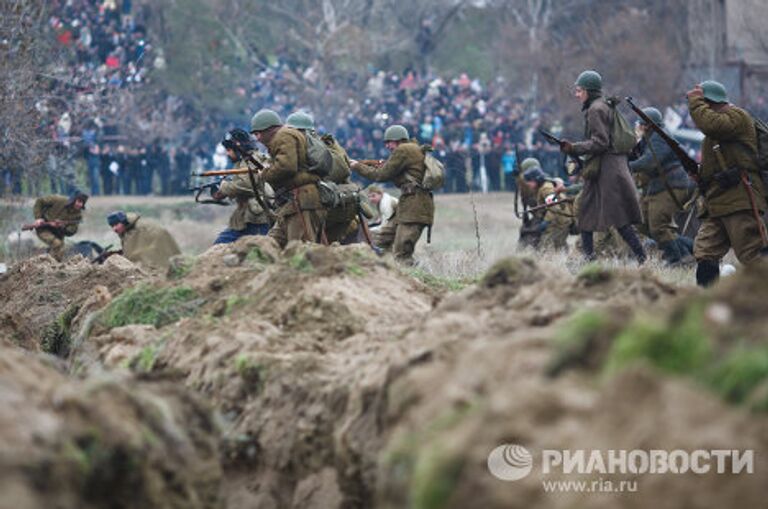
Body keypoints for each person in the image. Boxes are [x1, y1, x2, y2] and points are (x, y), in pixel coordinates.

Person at [559, 70, 646, 263]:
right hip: (605, 168)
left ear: (589, 91)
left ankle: (641, 257)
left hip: (608, 170)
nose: (577, 94)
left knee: (619, 218)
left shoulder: (595, 109)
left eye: (579, 90)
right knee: (586, 212)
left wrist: (573, 147)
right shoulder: (602, 105)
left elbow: (600, 142)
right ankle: (589, 260)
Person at [687, 80, 768, 286]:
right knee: (705, 251)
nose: (700, 109)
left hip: (741, 199)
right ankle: (707, 300)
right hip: (718, 203)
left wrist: (695, 103)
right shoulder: (713, 135)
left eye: (703, 104)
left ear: (710, 102)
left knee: (752, 255)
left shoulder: (737, 117)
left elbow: (709, 123)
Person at [350, 124, 434, 264]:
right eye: (386, 143)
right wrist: (366, 163)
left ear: (399, 140)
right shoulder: (412, 149)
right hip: (410, 204)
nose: (387, 146)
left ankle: (418, 279)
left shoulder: (403, 150)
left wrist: (357, 167)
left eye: (390, 142)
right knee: (382, 238)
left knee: (402, 253)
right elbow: (387, 167)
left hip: (415, 207)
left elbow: (381, 175)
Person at [249, 109, 326, 247]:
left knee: (299, 250)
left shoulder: (283, 136)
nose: (257, 138)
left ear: (269, 129)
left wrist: (265, 173)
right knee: (269, 245)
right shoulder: (287, 135)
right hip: (293, 202)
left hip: (301, 199)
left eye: (258, 133)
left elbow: (287, 167)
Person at [629, 107, 694, 265]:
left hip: (671, 185)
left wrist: (625, 166)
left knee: (659, 226)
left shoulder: (660, 137)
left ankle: (678, 259)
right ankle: (689, 249)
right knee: (641, 222)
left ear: (648, 125)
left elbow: (649, 162)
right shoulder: (648, 138)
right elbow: (637, 156)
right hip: (657, 186)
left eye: (640, 123)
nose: (637, 126)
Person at [211, 128, 273, 244]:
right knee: (222, 244)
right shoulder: (243, 161)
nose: (227, 153)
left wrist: (223, 188)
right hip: (247, 217)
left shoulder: (251, 160)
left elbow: (245, 184)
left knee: (222, 245)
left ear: (238, 147)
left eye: (229, 149)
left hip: (257, 219)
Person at [522, 161, 573, 251]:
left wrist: (545, 222)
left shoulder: (546, 188)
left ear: (535, 179)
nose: (528, 184)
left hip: (559, 221)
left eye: (529, 182)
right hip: (557, 219)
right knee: (557, 246)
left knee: (546, 246)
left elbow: (554, 206)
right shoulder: (542, 187)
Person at [107, 210, 181, 271]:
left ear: (123, 221)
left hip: (159, 243)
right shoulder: (128, 230)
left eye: (116, 224)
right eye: (112, 226)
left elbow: (134, 254)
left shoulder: (137, 230)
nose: (114, 229)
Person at [32, 191, 87, 261]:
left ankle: (52, 267)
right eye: (79, 201)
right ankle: (47, 265)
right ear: (74, 200)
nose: (80, 204)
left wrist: (62, 227)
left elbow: (72, 231)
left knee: (60, 251)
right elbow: (40, 201)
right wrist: (38, 218)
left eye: (82, 203)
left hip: (58, 234)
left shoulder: (78, 216)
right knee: (57, 244)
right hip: (44, 228)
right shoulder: (59, 200)